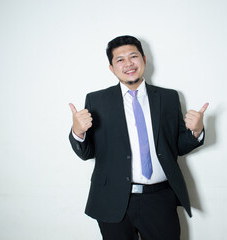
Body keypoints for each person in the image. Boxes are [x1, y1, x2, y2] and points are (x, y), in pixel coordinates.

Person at [69, 35, 209, 240]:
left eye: (133, 56)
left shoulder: (169, 98)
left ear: (143, 59)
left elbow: (177, 146)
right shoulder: (97, 100)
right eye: (120, 59)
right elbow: (87, 153)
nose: (128, 64)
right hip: (113, 198)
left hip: (160, 198)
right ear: (111, 67)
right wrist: (78, 132)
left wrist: (196, 132)